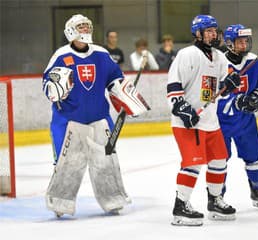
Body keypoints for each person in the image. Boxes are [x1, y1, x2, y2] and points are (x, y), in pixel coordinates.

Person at [42, 14, 149, 217]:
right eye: (80, 27)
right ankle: (60, 202)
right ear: (70, 31)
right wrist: (54, 88)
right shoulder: (60, 55)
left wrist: (125, 97)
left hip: (99, 118)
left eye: (87, 26)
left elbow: (115, 80)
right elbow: (48, 85)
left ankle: (113, 199)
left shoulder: (101, 54)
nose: (85, 30)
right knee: (66, 163)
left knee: (106, 160)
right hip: (68, 120)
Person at [167, 15, 241, 226]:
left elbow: (224, 87)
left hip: (210, 121)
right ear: (197, 34)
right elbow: (173, 86)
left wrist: (231, 82)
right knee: (193, 164)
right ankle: (180, 206)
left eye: (214, 31)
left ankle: (215, 201)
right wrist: (181, 108)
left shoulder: (219, 57)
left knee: (219, 160)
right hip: (188, 122)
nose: (213, 34)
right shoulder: (186, 55)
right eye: (208, 31)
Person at [217, 24, 258, 211]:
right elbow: (211, 93)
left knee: (254, 157)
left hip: (245, 120)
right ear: (229, 43)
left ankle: (257, 191)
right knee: (219, 161)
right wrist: (236, 101)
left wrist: (257, 94)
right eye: (239, 41)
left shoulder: (254, 61)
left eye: (246, 41)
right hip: (220, 122)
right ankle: (217, 197)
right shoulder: (217, 62)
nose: (244, 44)